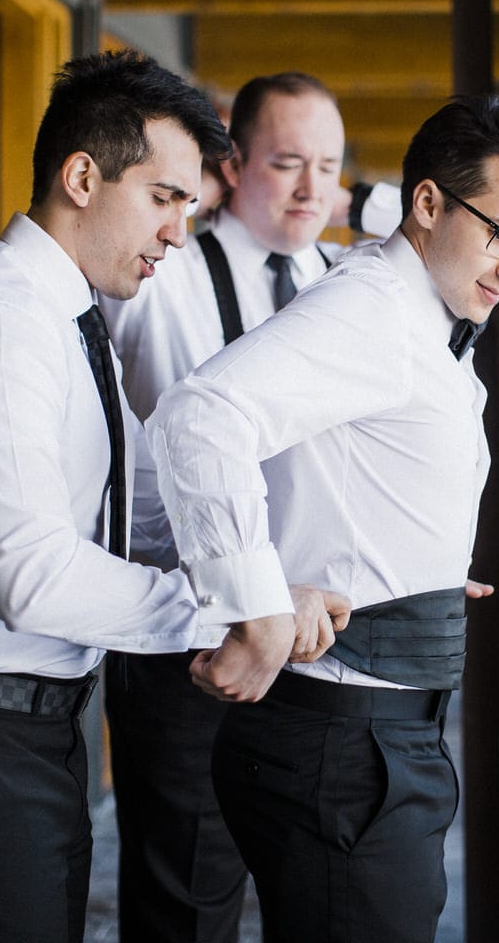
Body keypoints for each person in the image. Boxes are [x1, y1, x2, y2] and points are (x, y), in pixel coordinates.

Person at [0, 49, 345, 943]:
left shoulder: (68, 322)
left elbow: (143, 507)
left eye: (187, 205)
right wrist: (228, 613)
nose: (179, 231)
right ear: (80, 176)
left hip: (23, 732)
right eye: (163, 198)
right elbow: (29, 576)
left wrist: (279, 585)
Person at [149, 95, 499, 943]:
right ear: (427, 204)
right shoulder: (375, 311)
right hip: (345, 751)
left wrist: (413, 564)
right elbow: (201, 418)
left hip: (374, 739)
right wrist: (258, 604)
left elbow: (338, 470)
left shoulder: (420, 310)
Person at [99, 70, 402, 943]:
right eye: (286, 162)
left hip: (320, 642)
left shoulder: (352, 282)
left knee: (321, 892)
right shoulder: (163, 271)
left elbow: (441, 231)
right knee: (188, 893)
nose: (314, 189)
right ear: (231, 163)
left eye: (331, 167)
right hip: (196, 633)